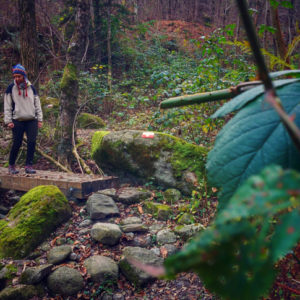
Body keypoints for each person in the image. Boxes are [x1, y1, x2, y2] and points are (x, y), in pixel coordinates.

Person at [4, 64, 43, 174]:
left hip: (32, 120)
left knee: (32, 142)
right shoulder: (10, 88)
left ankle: (29, 165)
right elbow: (7, 106)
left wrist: (39, 119)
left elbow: (37, 104)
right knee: (17, 142)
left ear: (23, 76)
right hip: (17, 120)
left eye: (19, 76)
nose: (16, 79)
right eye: (15, 76)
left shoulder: (31, 88)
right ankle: (11, 165)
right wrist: (9, 121)